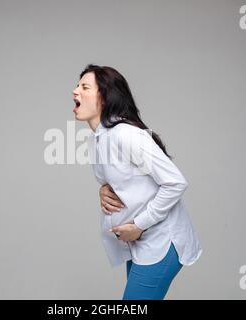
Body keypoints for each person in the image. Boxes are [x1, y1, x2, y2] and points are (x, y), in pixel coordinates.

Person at [72, 64, 202, 300]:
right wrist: (103, 190)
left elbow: (175, 182)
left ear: (104, 97)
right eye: (77, 85)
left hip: (161, 241)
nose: (74, 91)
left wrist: (139, 225)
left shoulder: (126, 135)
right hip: (139, 244)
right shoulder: (99, 140)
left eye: (84, 87)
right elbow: (114, 181)